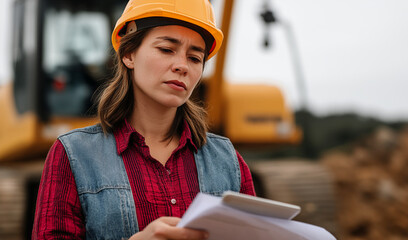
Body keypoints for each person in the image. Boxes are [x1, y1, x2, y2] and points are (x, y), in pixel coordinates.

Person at [32, 0, 255, 239]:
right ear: (129, 54)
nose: (182, 66)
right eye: (167, 49)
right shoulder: (73, 155)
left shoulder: (228, 161)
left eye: (194, 58)